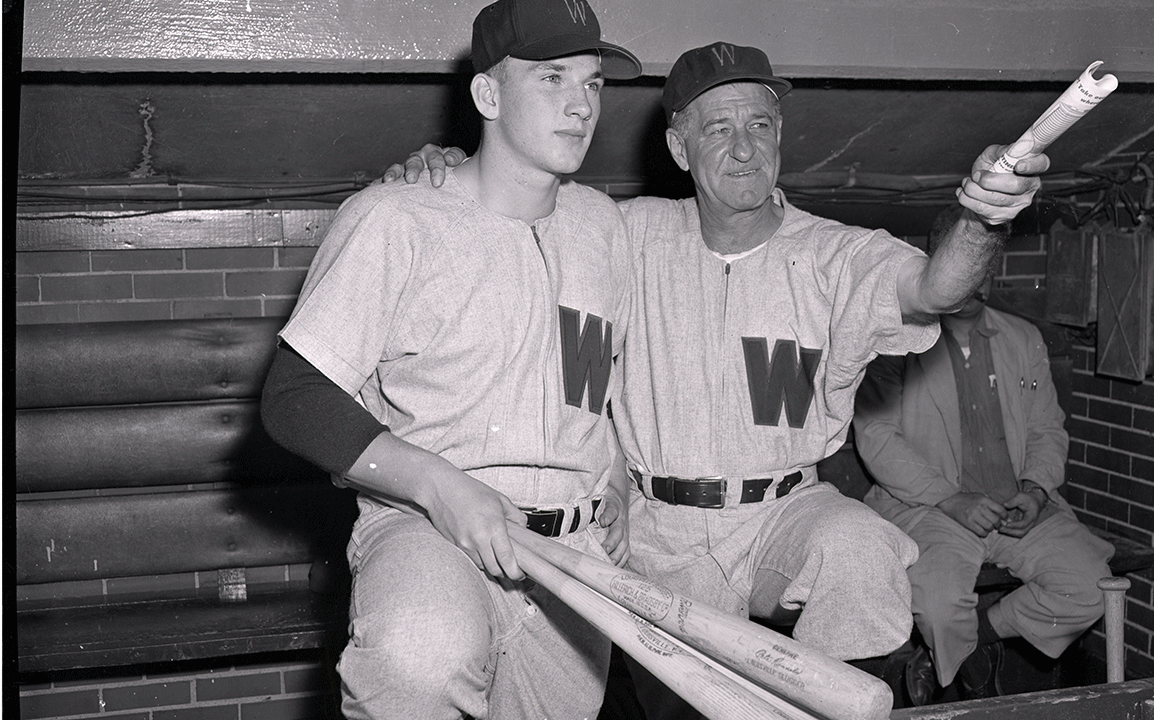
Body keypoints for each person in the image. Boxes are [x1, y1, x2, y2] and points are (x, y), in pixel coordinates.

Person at [388, 41, 1049, 718]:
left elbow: (937, 288)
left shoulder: (832, 252)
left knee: (860, 548)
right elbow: (505, 201)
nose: (744, 148)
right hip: (655, 527)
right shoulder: (626, 233)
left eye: (760, 125)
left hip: (782, 513)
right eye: (719, 129)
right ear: (679, 149)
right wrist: (447, 173)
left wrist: (983, 217)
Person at [258, 1, 643, 718]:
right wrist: (439, 486)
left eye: (592, 83)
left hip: (571, 554)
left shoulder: (603, 226)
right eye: (552, 78)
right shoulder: (396, 216)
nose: (580, 105)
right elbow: (294, 397)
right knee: (421, 659)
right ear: (488, 95)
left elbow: (595, 386)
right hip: (430, 528)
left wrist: (615, 480)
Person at [852, 207, 1115, 705]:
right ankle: (971, 677)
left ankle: (973, 643)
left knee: (1091, 586)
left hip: (1016, 507)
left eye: (988, 269)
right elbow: (878, 437)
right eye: (968, 268)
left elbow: (1046, 428)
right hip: (929, 508)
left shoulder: (1023, 339)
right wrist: (949, 499)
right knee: (936, 599)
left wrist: (1036, 490)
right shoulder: (894, 343)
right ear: (938, 264)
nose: (979, 283)